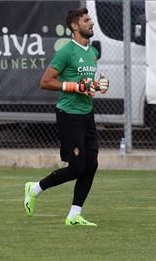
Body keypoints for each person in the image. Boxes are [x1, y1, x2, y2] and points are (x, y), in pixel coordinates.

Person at [23, 8, 109, 226]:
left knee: (92, 165)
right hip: (68, 115)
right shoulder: (66, 52)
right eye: (86, 20)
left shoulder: (91, 52)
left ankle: (74, 215)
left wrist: (95, 87)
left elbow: (85, 86)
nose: (91, 23)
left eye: (90, 20)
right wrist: (75, 86)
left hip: (86, 114)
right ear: (74, 26)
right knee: (78, 167)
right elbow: (45, 81)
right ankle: (35, 188)